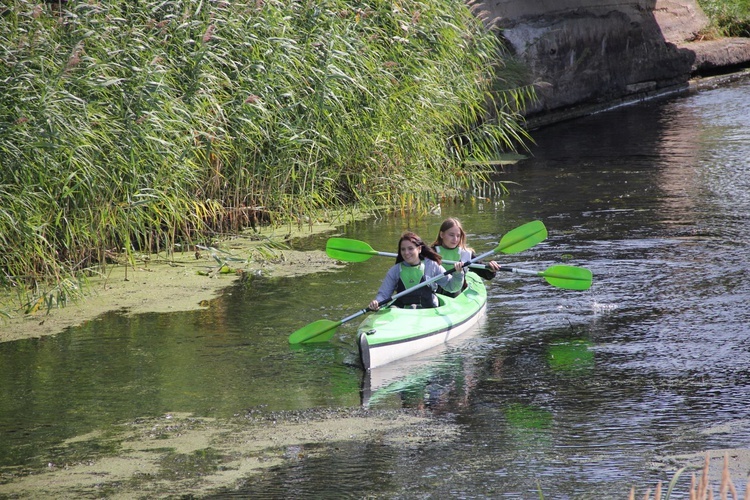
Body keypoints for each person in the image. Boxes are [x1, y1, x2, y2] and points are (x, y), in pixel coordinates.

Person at [369, 232, 464, 310]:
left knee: (413, 307)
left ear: (419, 249)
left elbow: (452, 287)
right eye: (403, 249)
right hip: (402, 310)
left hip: (427, 308)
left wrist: (458, 274)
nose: (406, 253)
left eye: (410, 248)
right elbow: (384, 295)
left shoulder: (431, 265)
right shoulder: (395, 270)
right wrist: (377, 302)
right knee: (394, 308)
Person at [431, 217, 501, 297]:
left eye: (458, 236)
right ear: (441, 234)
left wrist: (491, 269)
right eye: (451, 235)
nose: (455, 239)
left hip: (456, 293)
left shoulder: (465, 254)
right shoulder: (431, 252)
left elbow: (486, 274)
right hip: (434, 291)